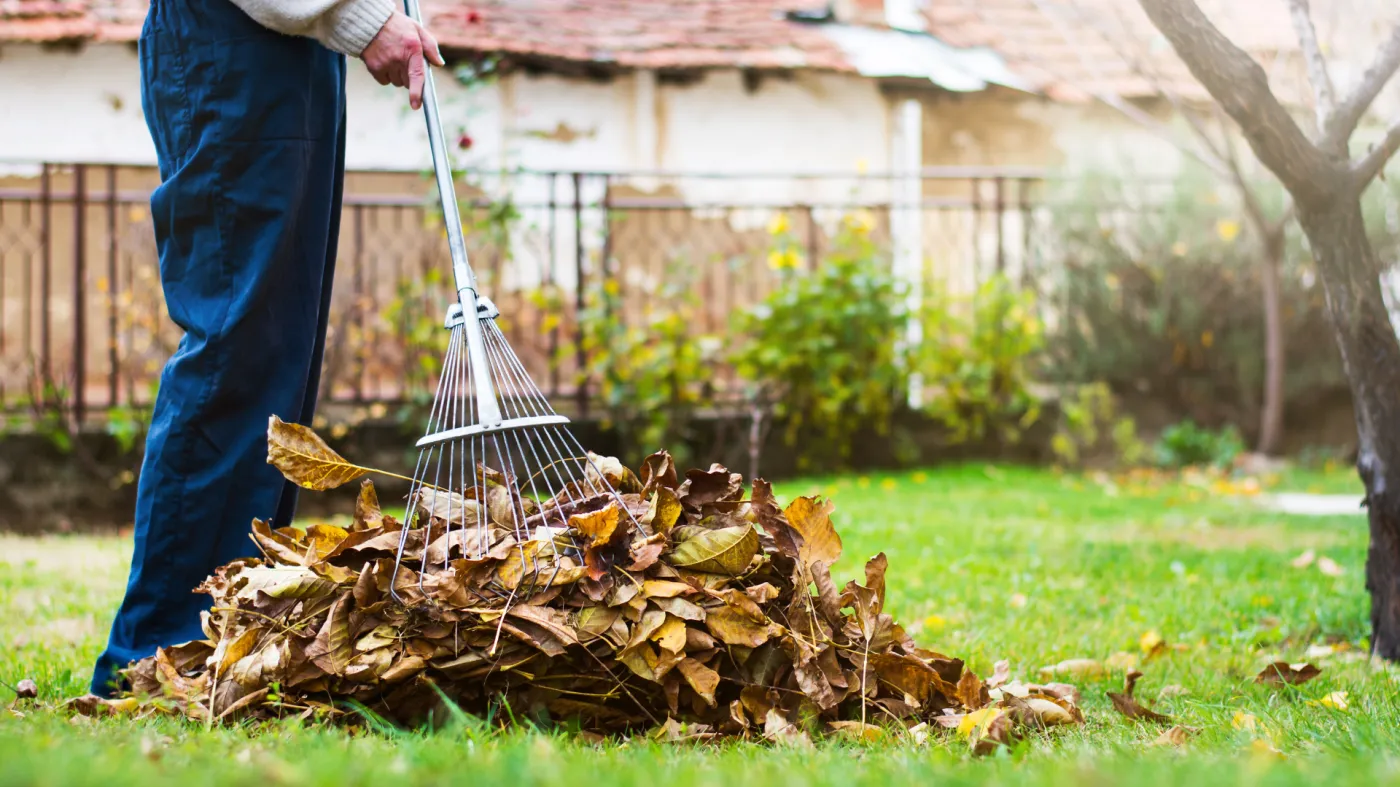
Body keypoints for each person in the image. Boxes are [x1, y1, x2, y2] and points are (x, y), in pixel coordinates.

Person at [90, 0, 444, 696]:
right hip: (235, 41)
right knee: (238, 346)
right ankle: (158, 649)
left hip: (287, 52)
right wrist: (361, 19)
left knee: (280, 350)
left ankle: (229, 629)